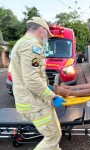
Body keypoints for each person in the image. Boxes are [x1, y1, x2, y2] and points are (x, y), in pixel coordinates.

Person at [10, 17, 66, 150]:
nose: (47, 38)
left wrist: (47, 88)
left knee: (54, 135)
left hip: (31, 100)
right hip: (34, 103)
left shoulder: (22, 43)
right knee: (53, 136)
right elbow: (32, 79)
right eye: (48, 34)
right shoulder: (32, 45)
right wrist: (52, 96)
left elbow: (29, 75)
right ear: (42, 30)